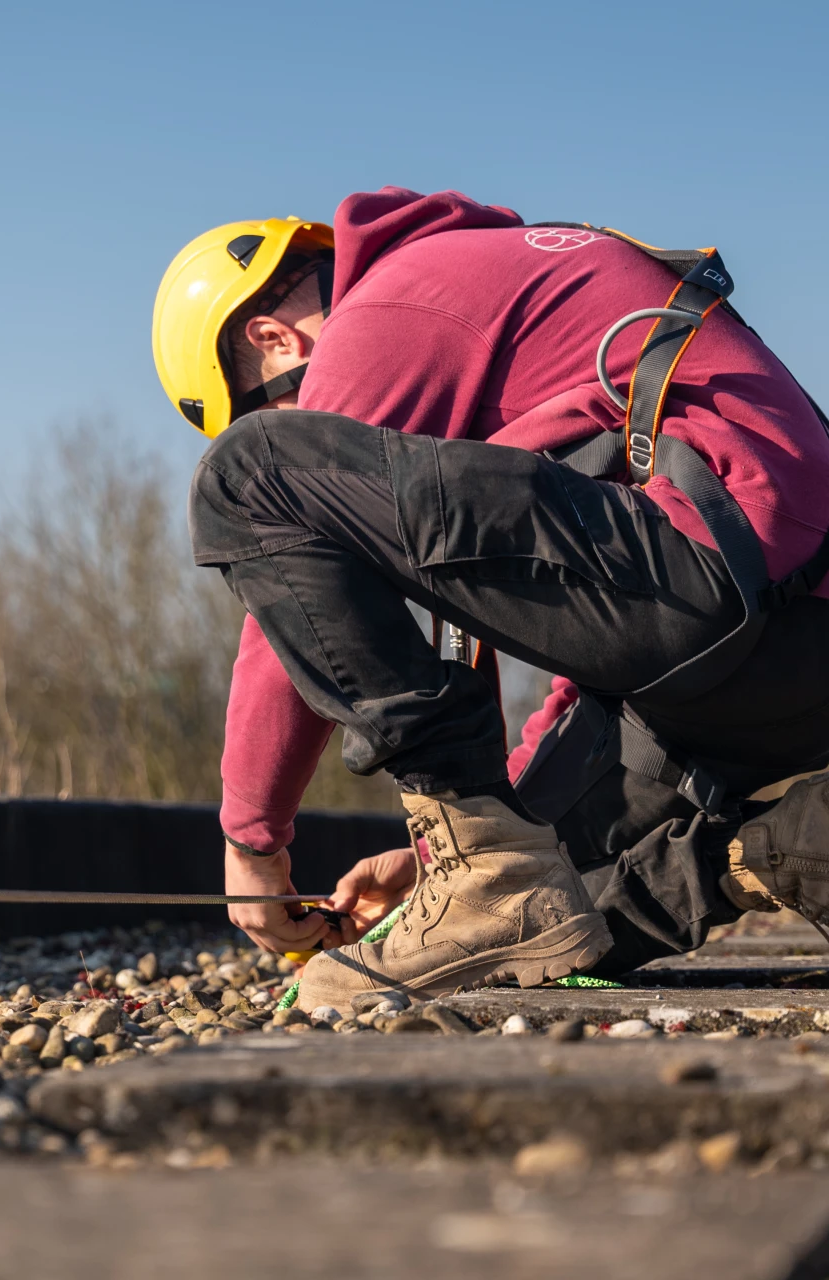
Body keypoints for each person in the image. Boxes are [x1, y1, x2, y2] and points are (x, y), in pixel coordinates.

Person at [150, 190, 829, 1014]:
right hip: (776, 646)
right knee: (541, 920)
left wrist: (252, 840)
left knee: (247, 479)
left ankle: (484, 864)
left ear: (275, 340)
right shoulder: (496, 292)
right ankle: (774, 852)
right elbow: (589, 602)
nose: (315, 425)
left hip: (715, 586)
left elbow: (279, 583)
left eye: (275, 409)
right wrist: (447, 857)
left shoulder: (390, 305)